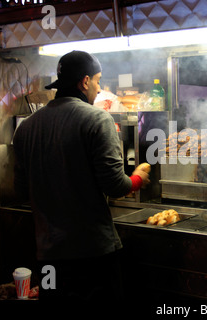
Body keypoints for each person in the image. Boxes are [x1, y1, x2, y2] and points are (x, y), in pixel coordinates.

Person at [13, 50, 150, 301]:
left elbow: (21, 191)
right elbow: (115, 185)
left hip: (48, 258)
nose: (98, 90)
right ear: (85, 82)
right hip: (92, 255)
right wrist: (138, 176)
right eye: (97, 81)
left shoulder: (26, 128)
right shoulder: (97, 119)